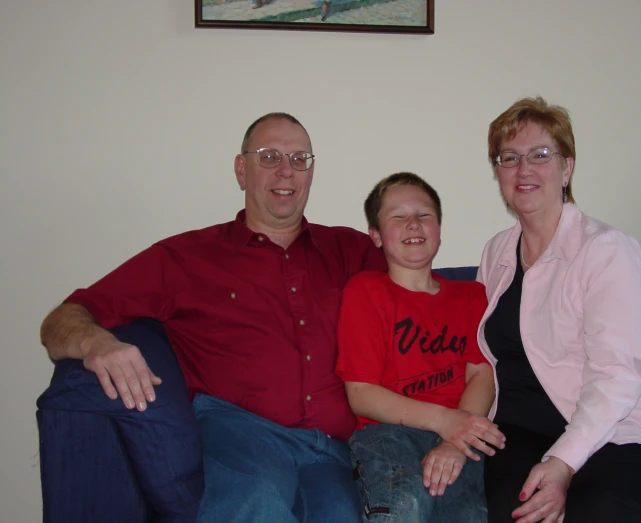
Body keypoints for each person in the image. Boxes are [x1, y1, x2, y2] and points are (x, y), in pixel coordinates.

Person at [39, 112, 387, 523]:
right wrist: (95, 343)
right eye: (269, 156)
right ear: (242, 170)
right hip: (240, 434)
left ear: (311, 173)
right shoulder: (187, 258)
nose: (286, 171)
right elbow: (63, 318)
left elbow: (425, 303)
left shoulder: (351, 250)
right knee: (257, 503)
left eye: (299, 159)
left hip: (332, 449)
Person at [477, 97, 641, 523]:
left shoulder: (606, 251)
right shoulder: (497, 251)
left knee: (597, 513)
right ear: (497, 172)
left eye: (541, 155)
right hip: (521, 430)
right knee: (514, 511)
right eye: (510, 158)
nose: (524, 170)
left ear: (567, 167)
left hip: (619, 431)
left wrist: (562, 463)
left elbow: (616, 377)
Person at [335, 172, 506, 522]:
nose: (413, 223)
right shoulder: (365, 291)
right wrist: (447, 422)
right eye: (397, 216)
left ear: (439, 229)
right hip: (390, 433)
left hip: (461, 435)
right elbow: (362, 394)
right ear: (377, 237)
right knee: (405, 507)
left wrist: (456, 441)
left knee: (469, 515)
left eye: (424, 214)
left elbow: (481, 374)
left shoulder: (471, 296)